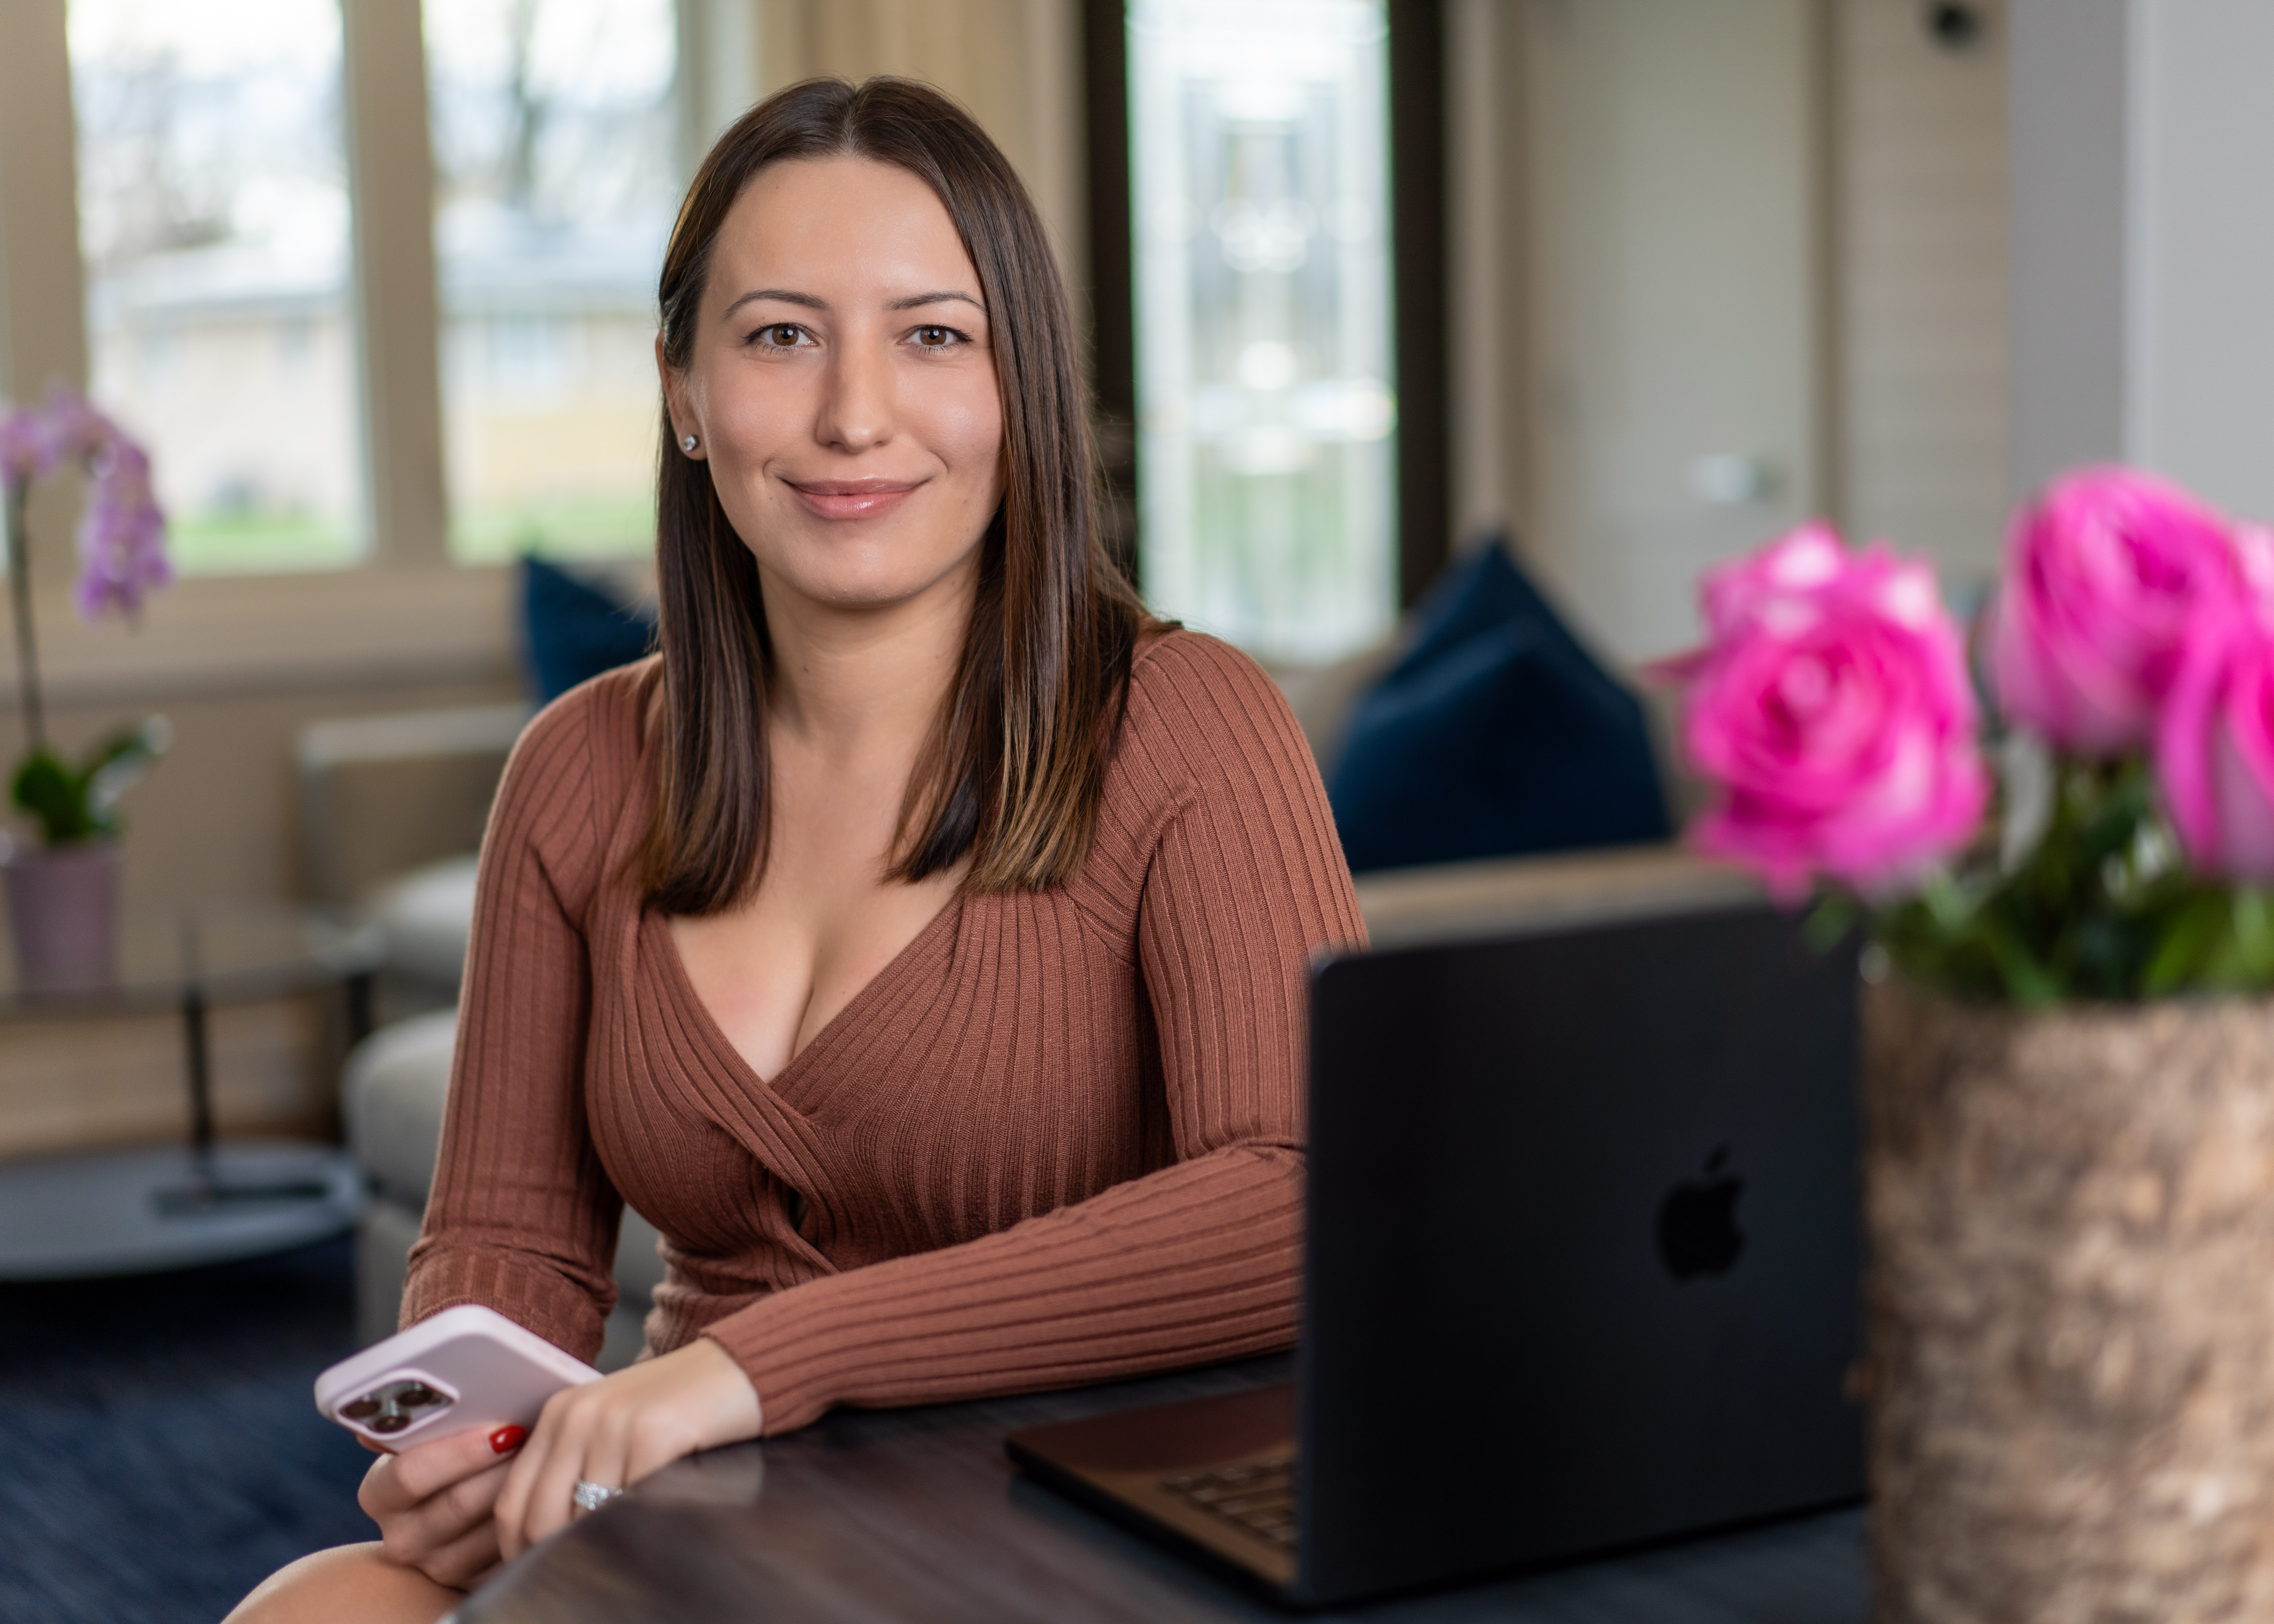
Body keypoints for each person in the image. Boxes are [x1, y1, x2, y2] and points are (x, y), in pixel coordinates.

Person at [229, 75, 1363, 1623]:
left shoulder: (1188, 724)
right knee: (314, 1605)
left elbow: (1309, 1193)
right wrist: (469, 1435)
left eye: (933, 334)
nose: (852, 413)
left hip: (1065, 1535)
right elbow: (506, 1235)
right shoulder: (577, 770)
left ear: (1018, 385)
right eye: (778, 335)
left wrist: (759, 1362)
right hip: (701, 1525)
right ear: (684, 391)